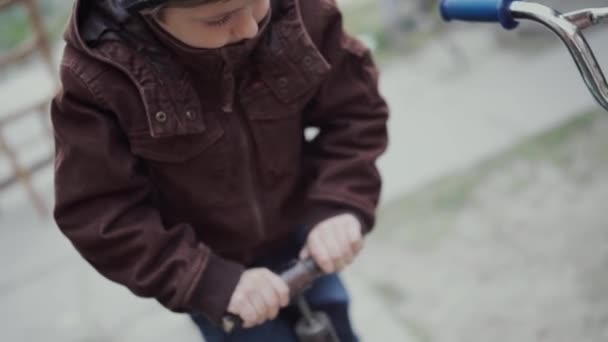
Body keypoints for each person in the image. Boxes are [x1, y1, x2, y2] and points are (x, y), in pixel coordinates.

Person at [51, 0, 388, 340]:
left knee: (336, 325)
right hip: (216, 274)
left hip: (304, 233)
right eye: (220, 19)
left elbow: (354, 111)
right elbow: (100, 211)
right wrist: (203, 279)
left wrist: (340, 200)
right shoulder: (99, 80)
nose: (249, 29)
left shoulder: (300, 10)